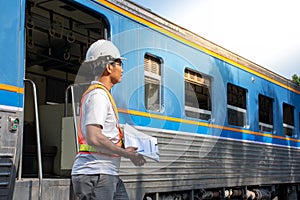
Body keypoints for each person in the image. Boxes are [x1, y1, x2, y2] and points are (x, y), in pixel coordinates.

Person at [72, 39, 146, 200]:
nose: (122, 69)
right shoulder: (98, 96)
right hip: (95, 173)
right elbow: (94, 137)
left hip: (106, 172)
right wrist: (126, 154)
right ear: (108, 67)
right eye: (119, 63)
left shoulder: (103, 95)